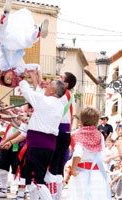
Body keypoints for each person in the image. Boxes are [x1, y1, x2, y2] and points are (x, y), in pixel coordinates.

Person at [0, 0, 48, 88]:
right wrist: (41, 79)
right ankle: (39, 29)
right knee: (28, 42)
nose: (10, 77)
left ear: (3, 76)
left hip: (7, 42)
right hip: (18, 43)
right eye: (12, 79)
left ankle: (5, 14)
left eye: (7, 79)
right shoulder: (21, 69)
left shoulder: (0, 66)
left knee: (0, 34)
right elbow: (36, 66)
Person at [19, 77, 66, 200]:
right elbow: (40, 102)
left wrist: (21, 78)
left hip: (37, 145)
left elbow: (26, 92)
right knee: (32, 180)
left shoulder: (43, 100)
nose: (47, 86)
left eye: (50, 85)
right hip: (48, 145)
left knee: (37, 180)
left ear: (52, 91)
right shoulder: (59, 105)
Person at [67, 107, 111, 200]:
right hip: (97, 173)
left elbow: (78, 153)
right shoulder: (99, 135)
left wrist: (73, 169)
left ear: (82, 120)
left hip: (81, 173)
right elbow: (102, 155)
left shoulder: (78, 134)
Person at [46, 72, 76, 200]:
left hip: (58, 132)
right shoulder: (71, 96)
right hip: (65, 133)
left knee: (53, 166)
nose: (57, 78)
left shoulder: (63, 94)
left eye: (61, 78)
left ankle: (52, 196)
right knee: (58, 167)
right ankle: (56, 195)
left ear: (66, 84)